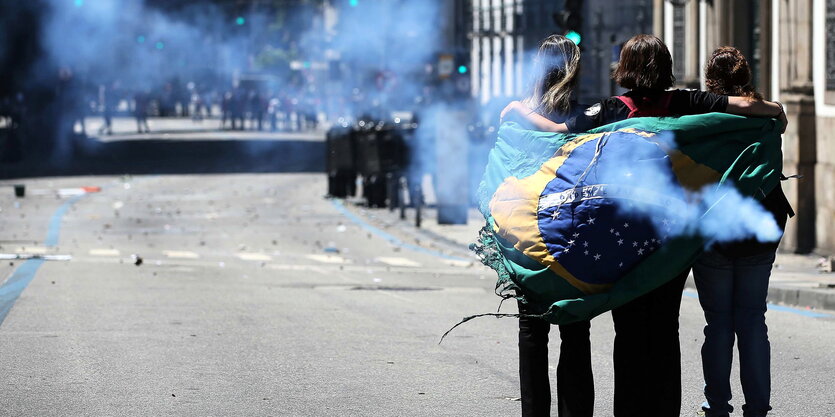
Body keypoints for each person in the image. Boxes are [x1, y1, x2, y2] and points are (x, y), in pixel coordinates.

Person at [502, 34, 788, 417]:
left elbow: (559, 134)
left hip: (625, 241)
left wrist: (517, 113)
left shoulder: (607, 111)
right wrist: (776, 110)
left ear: (625, 69)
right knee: (665, 330)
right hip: (670, 238)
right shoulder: (687, 103)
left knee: (630, 331)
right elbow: (743, 106)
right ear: (666, 67)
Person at [692, 46, 794, 417]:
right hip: (760, 224)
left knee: (718, 322)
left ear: (709, 80)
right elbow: (773, 115)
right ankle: (758, 405)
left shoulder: (700, 115)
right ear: (746, 77)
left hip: (714, 227)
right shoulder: (770, 117)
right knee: (752, 319)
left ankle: (717, 404)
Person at [503, 34, 594, 417]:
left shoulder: (516, 112)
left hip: (525, 232)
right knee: (576, 333)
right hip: (572, 232)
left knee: (532, 332)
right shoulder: (586, 115)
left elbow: (500, 170)